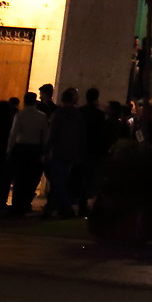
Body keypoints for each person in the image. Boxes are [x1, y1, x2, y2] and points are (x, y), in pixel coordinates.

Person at [44, 87, 86, 217]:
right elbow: (82, 135)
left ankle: (66, 207)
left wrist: (46, 150)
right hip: (72, 152)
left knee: (58, 181)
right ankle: (57, 207)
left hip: (59, 151)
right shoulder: (78, 115)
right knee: (62, 180)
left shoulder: (59, 114)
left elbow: (52, 134)